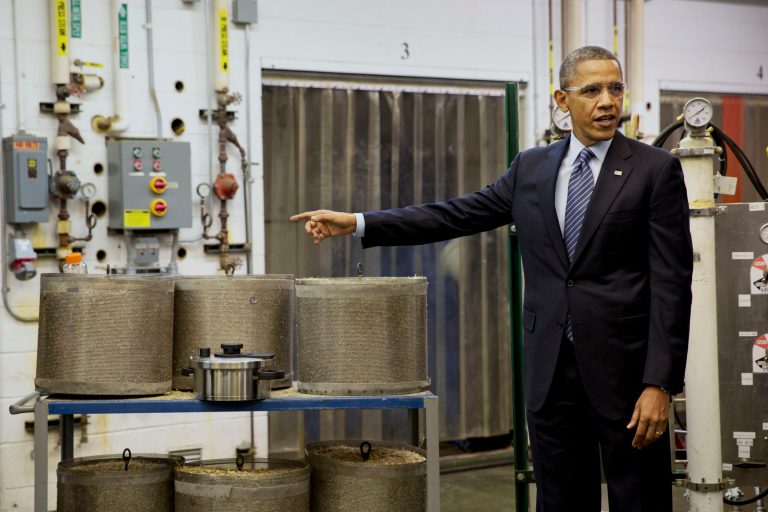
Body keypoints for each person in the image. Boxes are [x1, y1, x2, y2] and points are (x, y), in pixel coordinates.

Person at [290, 45, 692, 512]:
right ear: (562, 101)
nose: (607, 101)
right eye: (592, 90)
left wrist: (659, 383)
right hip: (550, 376)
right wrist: (360, 222)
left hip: (627, 379)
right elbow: (453, 215)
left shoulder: (654, 170)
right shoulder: (532, 168)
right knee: (560, 501)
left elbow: (671, 284)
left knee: (639, 500)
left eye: (615, 88)